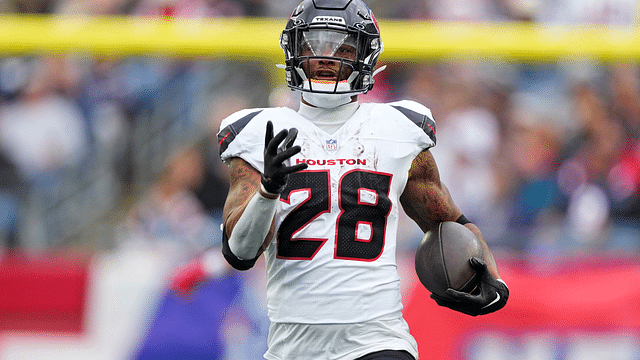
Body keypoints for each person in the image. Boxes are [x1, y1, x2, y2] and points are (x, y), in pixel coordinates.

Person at [172, 0, 509, 359]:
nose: (327, 57)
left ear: (366, 55)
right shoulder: (258, 132)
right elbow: (240, 252)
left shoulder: (398, 129)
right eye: (314, 45)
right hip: (293, 346)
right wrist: (268, 191)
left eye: (343, 47)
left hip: (378, 340)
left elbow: (448, 220)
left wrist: (493, 278)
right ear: (294, 51)